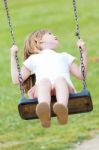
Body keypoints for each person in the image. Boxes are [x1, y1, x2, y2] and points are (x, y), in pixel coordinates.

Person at [10, 29, 87, 128]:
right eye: (50, 34)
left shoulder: (64, 56)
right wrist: (13, 55)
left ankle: (62, 109)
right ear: (37, 41)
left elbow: (81, 74)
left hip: (64, 88)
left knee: (60, 79)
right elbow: (17, 79)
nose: (55, 35)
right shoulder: (33, 59)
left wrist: (83, 52)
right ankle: (44, 111)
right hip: (42, 90)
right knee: (44, 81)